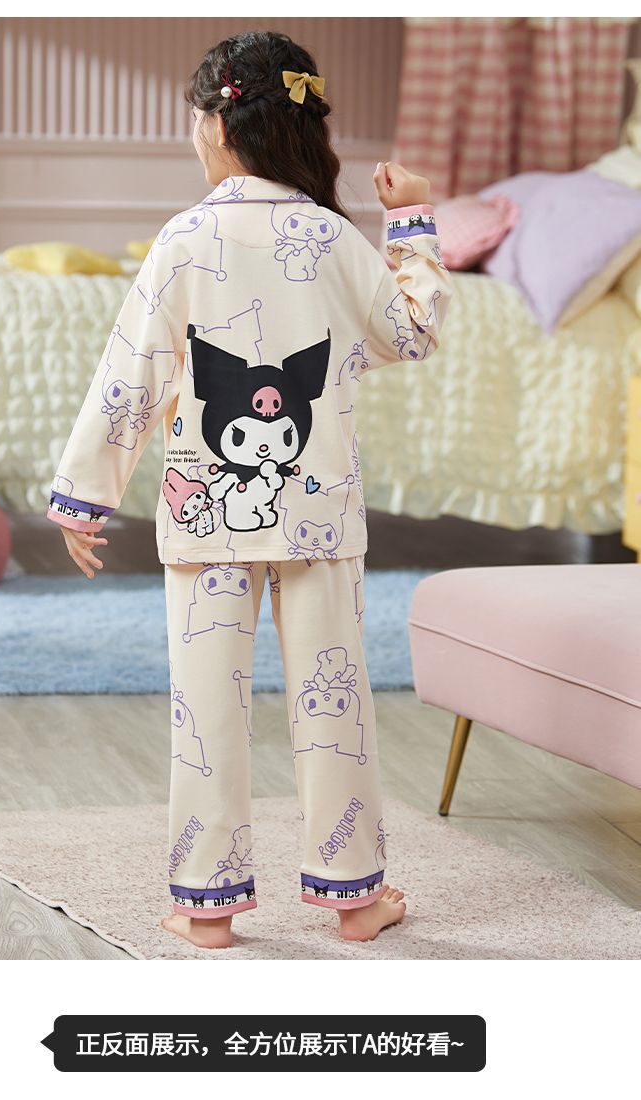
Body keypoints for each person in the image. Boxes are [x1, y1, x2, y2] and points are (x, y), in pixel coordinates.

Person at [46, 29, 453, 949]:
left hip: (205, 519)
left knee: (207, 711)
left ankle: (208, 906)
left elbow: (132, 372)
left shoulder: (185, 238)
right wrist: (413, 221)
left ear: (222, 126)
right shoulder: (335, 238)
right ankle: (355, 899)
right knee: (335, 705)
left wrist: (85, 495)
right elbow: (414, 333)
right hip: (318, 520)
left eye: (197, 118)